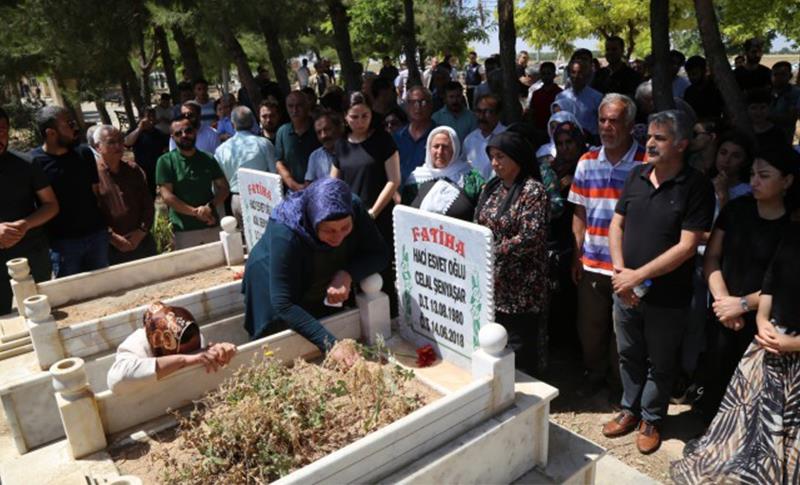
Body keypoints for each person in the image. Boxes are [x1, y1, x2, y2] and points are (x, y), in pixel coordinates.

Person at [604, 110, 714, 454]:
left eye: (660, 138)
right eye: (649, 136)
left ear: (681, 144)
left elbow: (687, 246)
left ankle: (652, 417)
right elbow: (616, 225)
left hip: (668, 296)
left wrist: (639, 276)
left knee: (661, 361)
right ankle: (629, 409)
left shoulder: (696, 186)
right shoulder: (637, 175)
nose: (650, 143)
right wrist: (622, 274)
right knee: (628, 353)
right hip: (626, 289)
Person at [671, 216, 800, 484]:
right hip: (771, 341)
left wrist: (793, 344)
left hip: (793, 353)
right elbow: (771, 281)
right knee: (751, 417)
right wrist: (763, 320)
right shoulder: (793, 236)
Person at [695, 145, 797, 425]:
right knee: (716, 376)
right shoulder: (736, 209)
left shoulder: (794, 224)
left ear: (787, 181)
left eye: (764, 175)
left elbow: (787, 281)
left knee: (752, 394)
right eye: (752, 174)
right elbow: (712, 257)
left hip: (767, 322)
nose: (754, 181)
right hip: (722, 312)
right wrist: (722, 301)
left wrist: (741, 305)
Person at [242, 178, 389, 363]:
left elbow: (380, 254)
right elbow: (283, 303)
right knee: (277, 349)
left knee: (319, 320)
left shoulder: (352, 207)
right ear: (313, 222)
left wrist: (347, 273)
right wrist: (332, 345)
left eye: (346, 228)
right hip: (271, 276)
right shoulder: (286, 232)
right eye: (329, 230)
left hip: (318, 270)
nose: (338, 237)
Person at [568, 94, 644, 397]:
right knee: (591, 328)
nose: (607, 127)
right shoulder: (586, 162)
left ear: (630, 126)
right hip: (591, 263)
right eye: (602, 120)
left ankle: (619, 387)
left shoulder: (645, 163)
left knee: (622, 333)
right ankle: (594, 375)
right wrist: (576, 256)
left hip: (629, 267)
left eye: (614, 121)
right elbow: (579, 213)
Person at [474, 131, 549, 372]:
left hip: (522, 286)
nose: (495, 163)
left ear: (517, 158)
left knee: (519, 343)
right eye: (492, 157)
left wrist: (492, 251)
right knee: (494, 341)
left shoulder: (533, 191)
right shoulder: (492, 187)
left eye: (501, 157)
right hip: (492, 282)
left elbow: (530, 236)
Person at [30, 106, 109, 277]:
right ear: (51, 133)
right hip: (63, 244)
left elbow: (95, 192)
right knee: (70, 297)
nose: (76, 128)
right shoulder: (33, 163)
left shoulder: (84, 153)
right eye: (69, 124)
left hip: (96, 237)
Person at [0, 107, 58, 314]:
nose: (0, 135)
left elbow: (51, 205)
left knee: (41, 312)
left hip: (32, 252)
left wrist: (25, 224)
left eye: (3, 129)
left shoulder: (26, 164)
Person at [107, 302, 237, 394]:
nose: (191, 353)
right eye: (186, 352)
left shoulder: (187, 333)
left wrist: (222, 350)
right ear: (165, 341)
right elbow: (116, 381)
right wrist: (183, 360)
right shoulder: (137, 345)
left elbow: (201, 357)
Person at [332, 92, 400, 242]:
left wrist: (373, 213)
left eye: (365, 116)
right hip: (349, 219)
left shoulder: (383, 140)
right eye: (354, 117)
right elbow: (333, 183)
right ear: (345, 116)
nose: (360, 122)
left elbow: (394, 180)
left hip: (379, 217)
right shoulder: (340, 144)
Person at [157, 114, 230, 250]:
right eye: (178, 133)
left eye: (188, 130)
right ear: (173, 138)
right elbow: (167, 196)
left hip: (211, 224)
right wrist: (196, 213)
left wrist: (210, 207)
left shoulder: (208, 159)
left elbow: (224, 188)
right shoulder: (165, 162)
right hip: (184, 230)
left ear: (195, 131)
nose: (184, 135)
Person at [94, 125, 156, 265]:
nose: (118, 146)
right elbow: (93, 214)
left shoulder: (133, 169)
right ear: (98, 147)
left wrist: (141, 232)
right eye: (111, 142)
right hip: (112, 248)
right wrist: (113, 238)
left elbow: (148, 204)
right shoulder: (92, 176)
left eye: (120, 141)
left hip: (143, 242)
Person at [403, 126, 484, 221]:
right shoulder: (416, 179)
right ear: (429, 149)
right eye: (436, 146)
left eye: (445, 147)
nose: (440, 152)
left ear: (455, 149)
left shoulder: (470, 178)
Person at [214, 106, 275, 228]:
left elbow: (218, 184)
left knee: (247, 241)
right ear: (253, 121)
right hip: (263, 196)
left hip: (237, 198)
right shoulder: (264, 144)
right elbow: (274, 174)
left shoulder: (221, 150)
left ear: (232, 124)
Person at [275, 91, 320, 192]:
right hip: (292, 192)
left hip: (319, 189)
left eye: (299, 105)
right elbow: (279, 162)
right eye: (290, 106)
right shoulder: (282, 132)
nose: (294, 110)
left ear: (307, 106)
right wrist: (293, 184)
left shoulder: (319, 129)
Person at [394, 86, 436, 185]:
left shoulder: (439, 136)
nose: (418, 107)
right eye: (413, 102)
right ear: (406, 106)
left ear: (431, 105)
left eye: (423, 102)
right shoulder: (397, 137)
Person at [124, 107, 169, 196]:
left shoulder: (159, 134)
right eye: (149, 116)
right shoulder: (135, 133)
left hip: (157, 169)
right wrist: (140, 129)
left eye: (153, 116)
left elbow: (167, 149)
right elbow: (127, 143)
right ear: (142, 118)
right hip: (141, 170)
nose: (151, 119)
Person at [555, 58, 603, 139]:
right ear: (569, 74)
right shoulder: (560, 97)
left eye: (580, 72)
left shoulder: (597, 97)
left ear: (587, 75)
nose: (576, 76)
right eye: (573, 72)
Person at [463, 94, 506, 181]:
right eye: (478, 111)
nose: (481, 116)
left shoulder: (507, 138)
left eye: (488, 112)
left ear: (498, 114)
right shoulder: (470, 140)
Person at [711, 129, 754, 214]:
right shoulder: (702, 184)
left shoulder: (749, 192)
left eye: (735, 156)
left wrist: (724, 196)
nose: (727, 160)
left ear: (745, 161)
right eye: (723, 153)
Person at [305, 110, 342, 184]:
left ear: (339, 128)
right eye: (319, 132)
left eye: (327, 130)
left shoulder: (351, 152)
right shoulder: (315, 156)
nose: (323, 136)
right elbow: (309, 186)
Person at [683, 55, 724, 122]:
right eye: (689, 75)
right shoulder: (689, 92)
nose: (691, 78)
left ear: (704, 71)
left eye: (694, 74)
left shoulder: (716, 87)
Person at [770, 61, 800, 144]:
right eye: (775, 74)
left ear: (790, 76)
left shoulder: (796, 93)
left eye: (783, 74)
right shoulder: (766, 92)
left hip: (784, 139)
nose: (778, 77)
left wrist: (767, 117)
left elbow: (791, 118)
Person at [528, 62, 563, 131]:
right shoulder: (536, 94)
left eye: (549, 73)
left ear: (554, 75)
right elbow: (532, 113)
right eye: (543, 74)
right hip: (538, 131)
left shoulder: (560, 94)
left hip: (555, 131)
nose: (546, 76)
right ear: (540, 75)